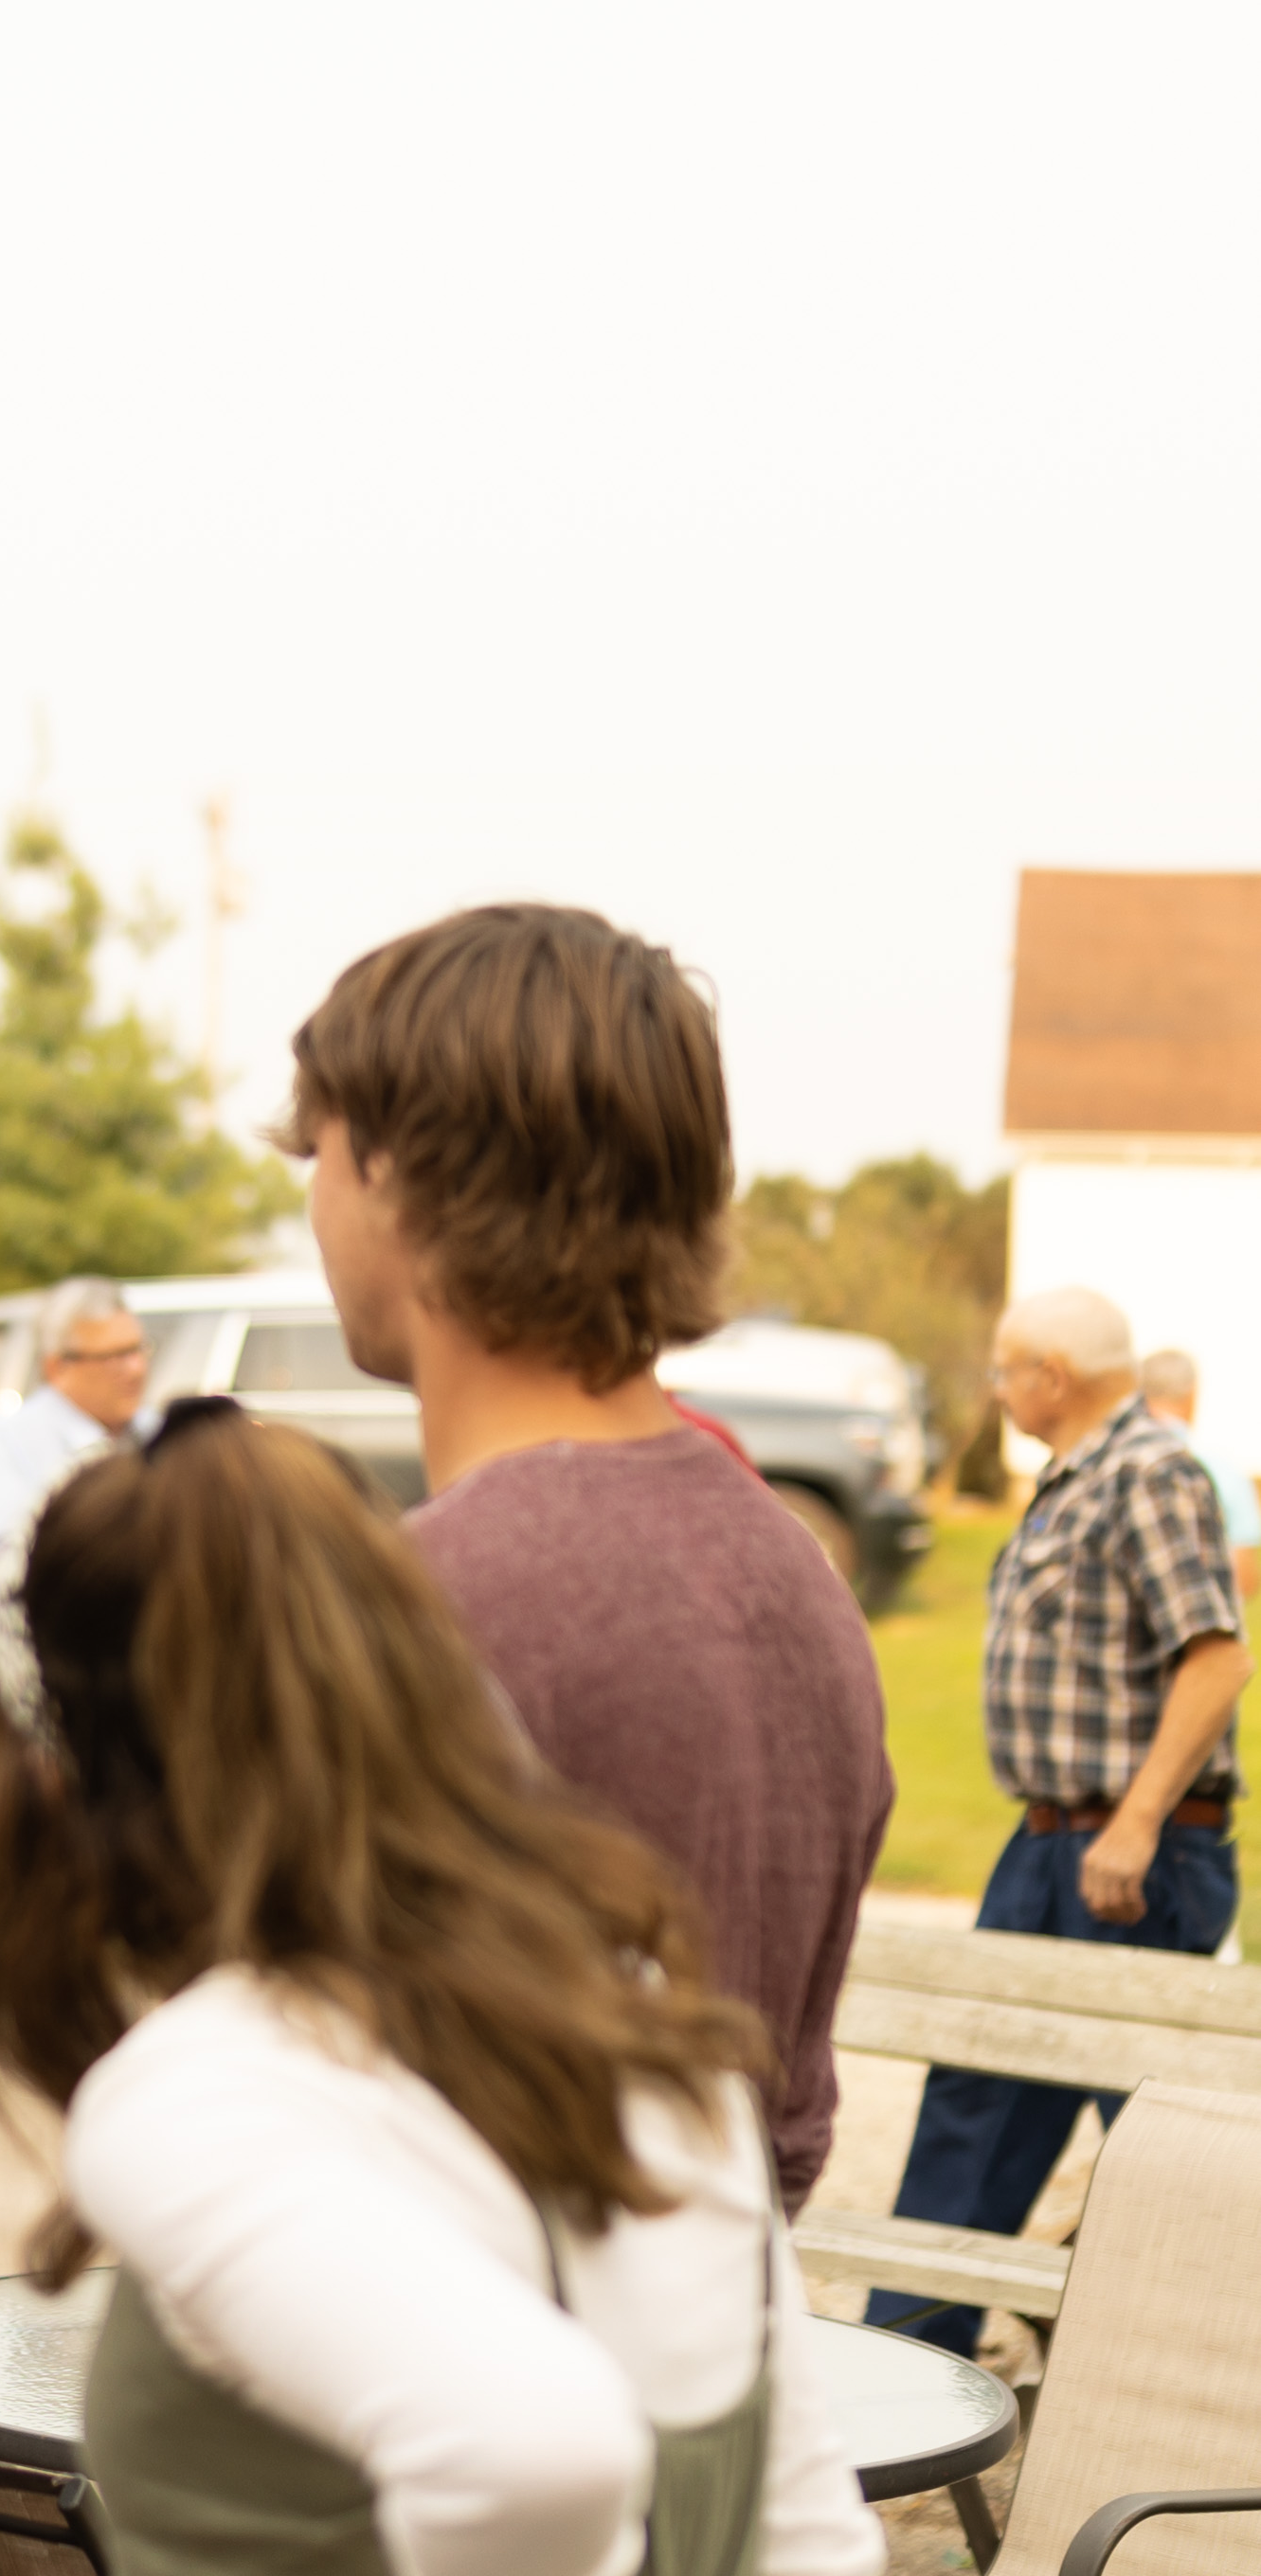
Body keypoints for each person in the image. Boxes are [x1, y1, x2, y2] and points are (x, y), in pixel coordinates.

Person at [0, 1401, 879, 2576]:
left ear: (62, 1754)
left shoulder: (206, 2085)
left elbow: (530, 2435)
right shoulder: (637, 2018)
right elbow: (806, 2541)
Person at [281, 904, 891, 2210]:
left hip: (453, 2377)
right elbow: (784, 2110)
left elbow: (319, 2140)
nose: (312, 1202)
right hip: (721, 2359)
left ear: (394, 1171)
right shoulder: (796, 1577)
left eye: (316, 1152)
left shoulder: (427, 1609)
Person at [865, 1287, 1246, 2354]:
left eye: (1000, 1370)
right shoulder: (1071, 1480)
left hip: (1125, 1855)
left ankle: (1199, 2391)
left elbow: (1215, 1659)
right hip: (1047, 1845)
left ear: (1050, 1374)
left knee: (1167, 2147)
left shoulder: (1147, 1472)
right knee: (975, 2095)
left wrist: (1130, 1825)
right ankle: (900, 2375)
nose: (994, 1389)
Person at [0, 1274, 148, 1643]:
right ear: (56, 1367)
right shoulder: (1, 1444)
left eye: (137, 1350)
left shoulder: (156, 1432)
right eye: (113, 1357)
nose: (135, 1369)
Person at [1139, 1347, 1261, 1606]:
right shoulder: (1224, 1474)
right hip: (1204, 1632)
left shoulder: (1103, 1465)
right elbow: (1244, 1577)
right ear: (1192, 1393)